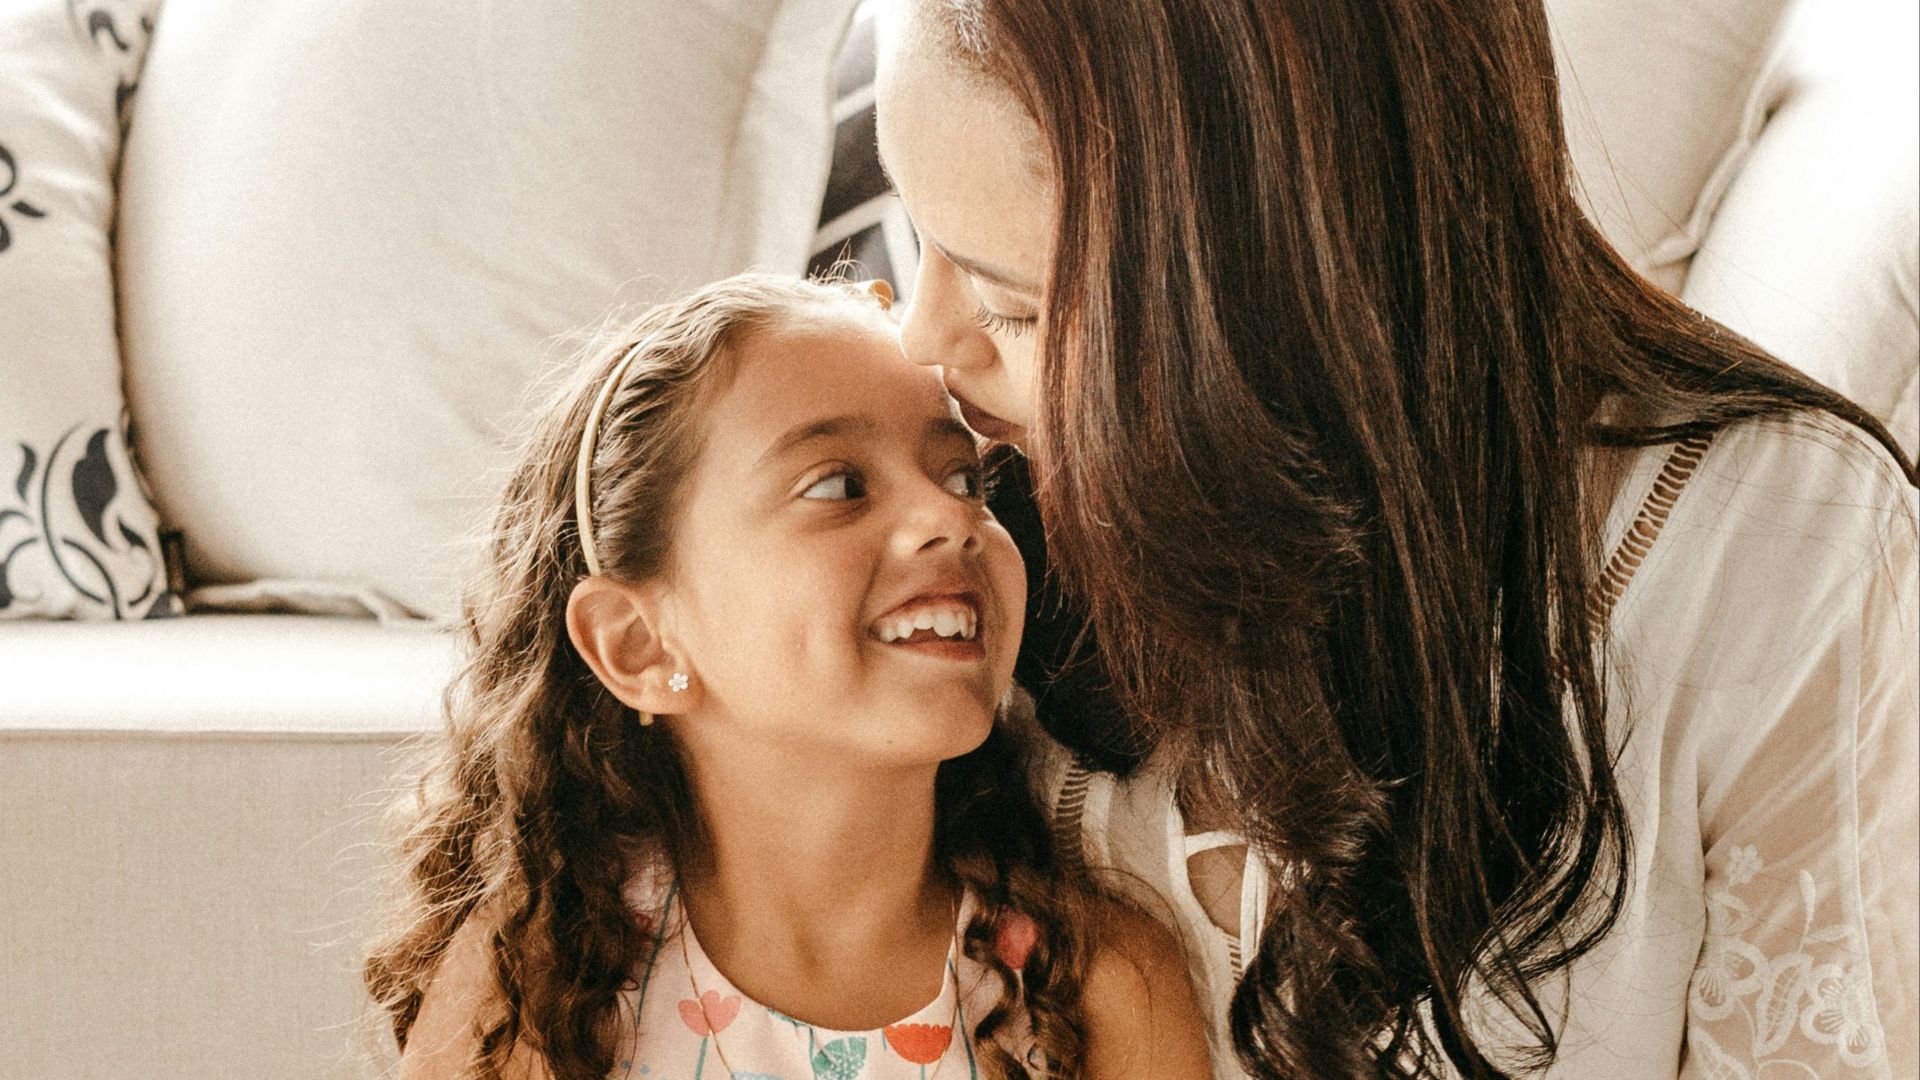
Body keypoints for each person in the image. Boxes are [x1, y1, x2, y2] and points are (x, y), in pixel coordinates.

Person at [872, 2, 1920, 1079]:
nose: (922, 344)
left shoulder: (1767, 549)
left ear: (1289, 302)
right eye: (914, 234)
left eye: (1012, 306)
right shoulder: (947, 516)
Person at [362, 274, 1213, 1079]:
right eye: (839, 485)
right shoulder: (537, 989)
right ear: (639, 646)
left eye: (963, 476)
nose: (949, 516)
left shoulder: (1096, 987)